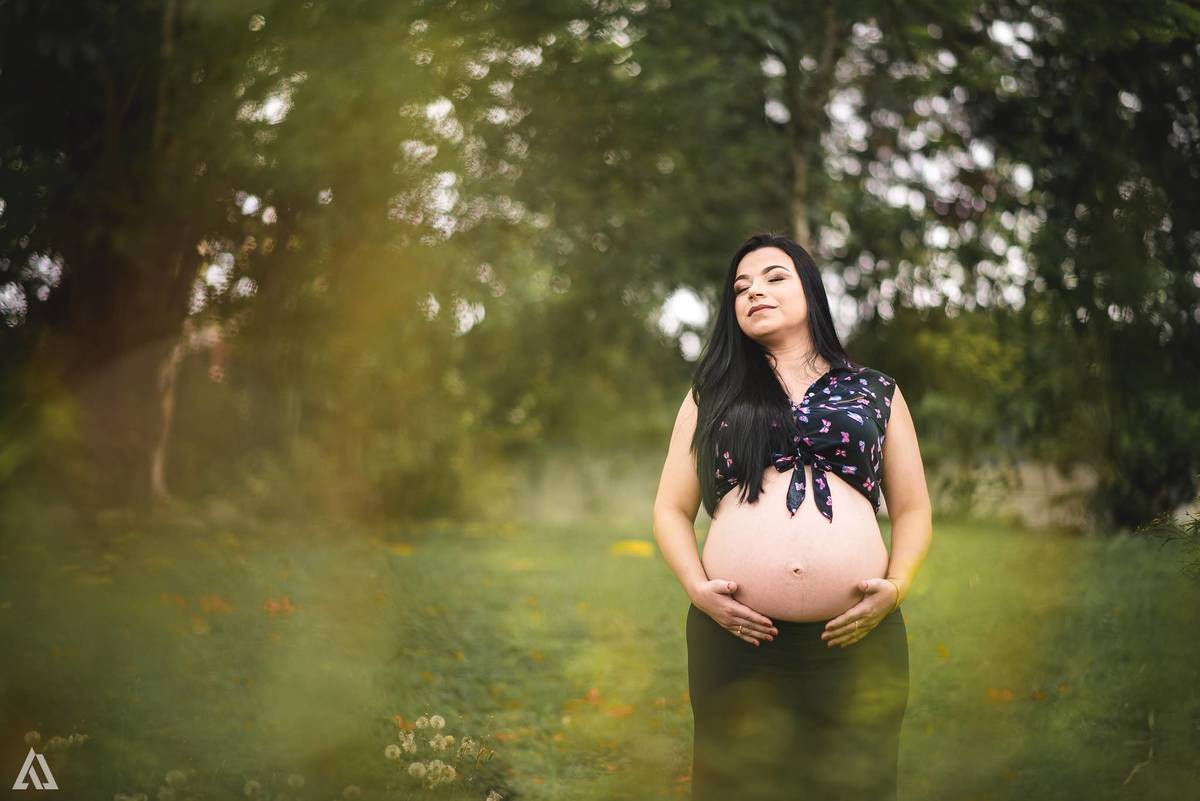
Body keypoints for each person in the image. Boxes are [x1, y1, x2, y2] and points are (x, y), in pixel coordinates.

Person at [651, 232, 933, 801]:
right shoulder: (714, 391)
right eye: (740, 287)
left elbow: (913, 508)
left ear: (811, 291)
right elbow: (670, 509)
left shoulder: (876, 390)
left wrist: (897, 588)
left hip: (858, 640)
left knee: (857, 785)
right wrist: (698, 589)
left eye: (774, 276)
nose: (754, 291)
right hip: (735, 641)